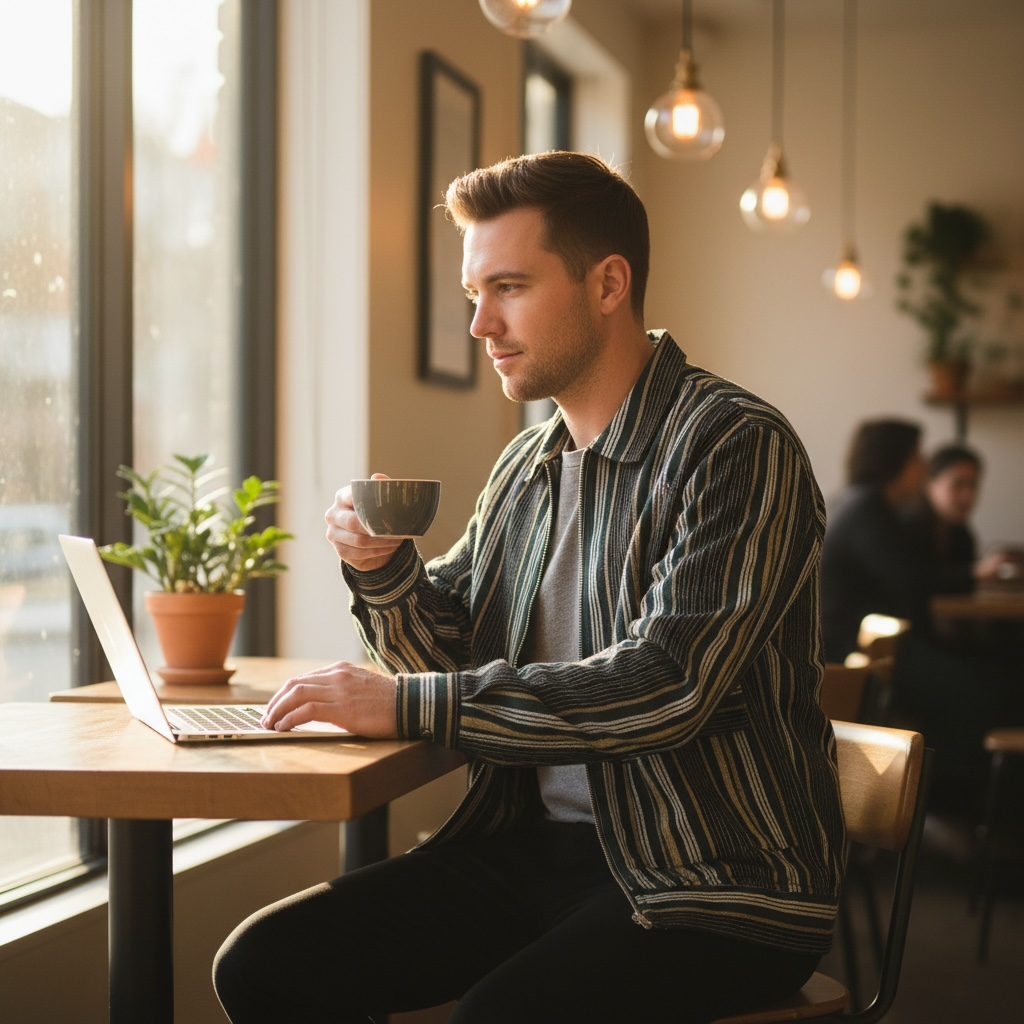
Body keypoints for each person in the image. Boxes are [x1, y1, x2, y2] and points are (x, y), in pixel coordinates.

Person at [213, 152, 844, 1024]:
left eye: (507, 288)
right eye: (475, 294)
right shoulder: (529, 462)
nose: (480, 325)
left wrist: (407, 705)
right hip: (532, 850)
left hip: (715, 881)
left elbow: (668, 685)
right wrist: (383, 572)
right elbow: (454, 648)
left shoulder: (736, 446)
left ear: (608, 284)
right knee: (264, 965)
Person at [819, 419, 930, 663]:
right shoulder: (867, 508)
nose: (925, 467)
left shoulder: (855, 500)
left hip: (855, 641)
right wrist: (974, 574)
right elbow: (911, 579)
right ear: (893, 459)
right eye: (917, 456)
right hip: (851, 651)